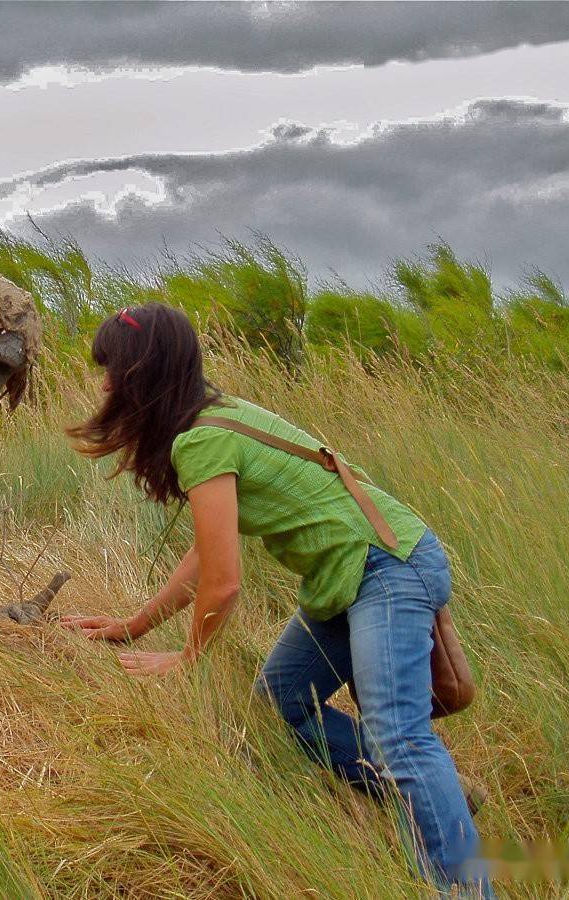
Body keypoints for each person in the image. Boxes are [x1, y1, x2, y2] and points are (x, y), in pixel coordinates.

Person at [60, 302, 491, 896]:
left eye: (111, 368)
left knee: (400, 735)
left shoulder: (203, 438)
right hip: (347, 577)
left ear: (141, 373)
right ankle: (439, 802)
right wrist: (133, 625)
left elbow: (225, 583)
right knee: (281, 702)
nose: (103, 382)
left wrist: (187, 659)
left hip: (387, 565)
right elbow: (206, 558)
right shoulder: (211, 421)